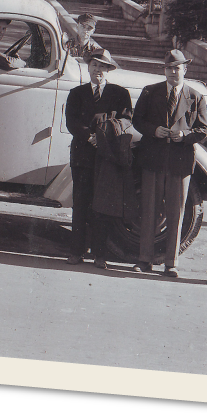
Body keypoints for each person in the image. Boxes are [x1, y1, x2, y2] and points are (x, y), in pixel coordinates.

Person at [131, 49, 207, 277]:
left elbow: (203, 130)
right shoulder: (150, 92)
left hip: (180, 162)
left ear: (185, 69)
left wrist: (185, 136)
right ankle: (144, 259)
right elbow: (137, 120)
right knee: (149, 210)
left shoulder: (195, 96)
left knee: (176, 212)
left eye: (177, 68)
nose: (173, 72)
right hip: (153, 159)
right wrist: (153, 130)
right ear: (164, 70)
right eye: (169, 68)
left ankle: (171, 263)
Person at [63, 50, 132, 266]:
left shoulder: (120, 94)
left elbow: (126, 121)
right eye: (94, 65)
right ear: (88, 67)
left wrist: (103, 139)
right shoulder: (76, 93)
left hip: (107, 158)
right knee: (80, 204)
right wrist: (89, 136)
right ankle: (76, 252)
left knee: (102, 205)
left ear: (108, 70)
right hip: (82, 156)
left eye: (103, 66)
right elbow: (71, 122)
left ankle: (100, 255)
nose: (98, 70)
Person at [91, 112, 143, 269]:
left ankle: (99, 255)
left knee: (102, 215)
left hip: (105, 173)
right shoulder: (130, 128)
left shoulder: (106, 125)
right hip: (123, 174)